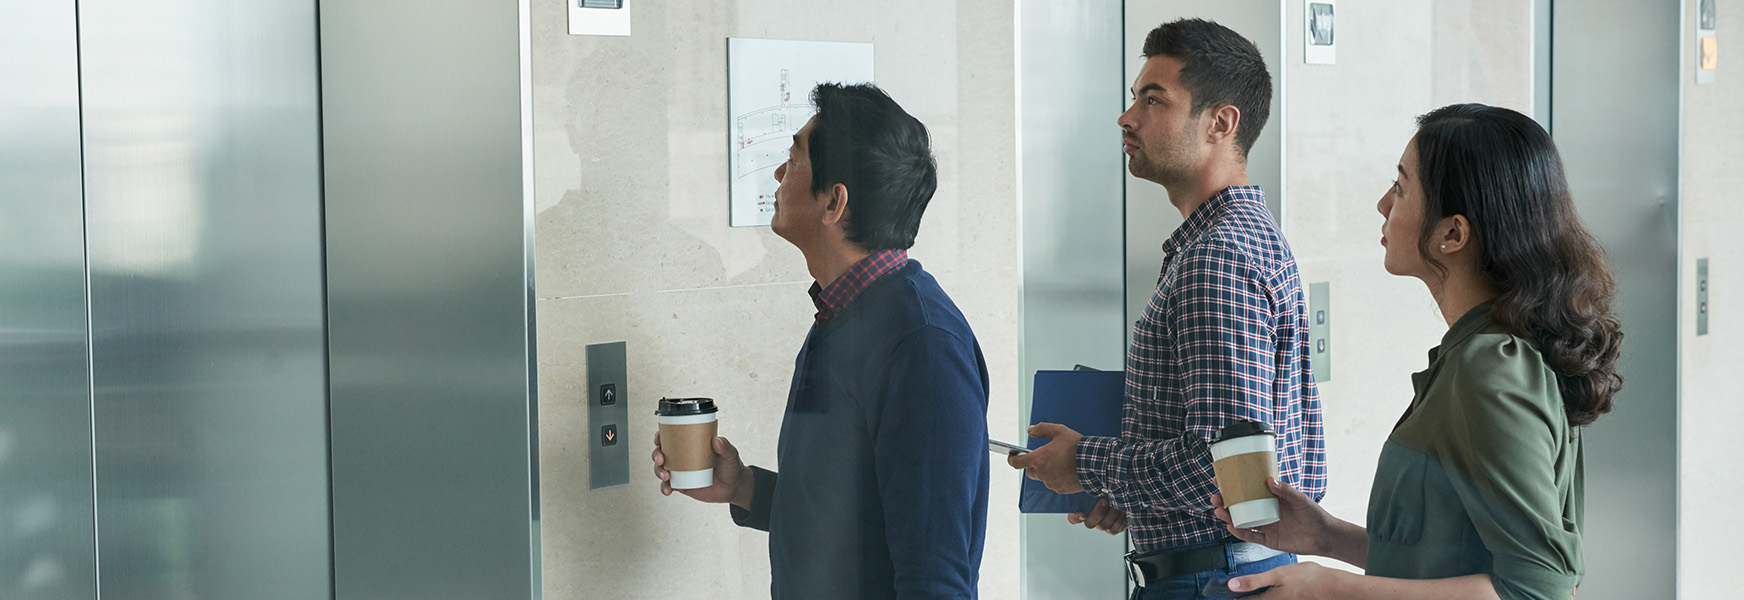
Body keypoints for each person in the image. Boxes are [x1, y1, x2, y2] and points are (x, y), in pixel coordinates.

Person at [1211, 103, 1623, 600]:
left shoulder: (1491, 369)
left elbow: (1537, 591)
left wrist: (1329, 590)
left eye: (1402, 187)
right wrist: (1326, 537)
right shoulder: (1480, 354)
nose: (1384, 203)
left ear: (1453, 233)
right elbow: (1458, 555)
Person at [1007, 18, 1325, 599]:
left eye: (1154, 100)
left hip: (1213, 577)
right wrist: (1130, 498)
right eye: (1134, 98)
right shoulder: (1239, 237)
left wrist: (1088, 462)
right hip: (1222, 562)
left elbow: (1224, 466)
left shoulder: (1217, 256)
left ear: (1220, 123)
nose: (1127, 118)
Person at [650, 82, 991, 599]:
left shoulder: (923, 346)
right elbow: (851, 516)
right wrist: (743, 486)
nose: (778, 175)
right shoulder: (842, 312)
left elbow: (934, 573)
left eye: (794, 158)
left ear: (834, 201)